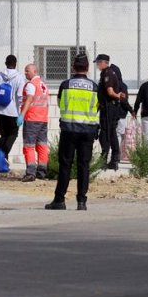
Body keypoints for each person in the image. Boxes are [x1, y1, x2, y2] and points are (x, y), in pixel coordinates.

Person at [45, 54, 99, 211]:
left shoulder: (65, 85)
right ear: (88, 68)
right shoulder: (95, 87)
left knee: (65, 165)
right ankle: (81, 202)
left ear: (73, 67)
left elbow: (60, 103)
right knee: (84, 166)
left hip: (69, 130)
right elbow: (97, 107)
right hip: (88, 130)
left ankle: (59, 200)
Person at [19, 64, 50, 182]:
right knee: (42, 145)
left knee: (29, 146)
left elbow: (30, 98)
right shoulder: (43, 85)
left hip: (32, 118)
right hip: (43, 119)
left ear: (34, 71)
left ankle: (30, 173)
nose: (25, 73)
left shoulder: (31, 85)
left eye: (27, 71)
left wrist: (22, 115)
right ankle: (42, 172)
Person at [95, 54, 126, 171]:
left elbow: (110, 91)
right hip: (109, 107)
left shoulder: (107, 73)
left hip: (108, 109)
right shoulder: (110, 72)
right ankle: (114, 159)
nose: (97, 65)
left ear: (104, 62)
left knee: (106, 134)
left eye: (98, 63)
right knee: (111, 133)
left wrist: (117, 95)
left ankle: (104, 160)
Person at [0, 55, 26, 159]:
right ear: (15, 64)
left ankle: (2, 160)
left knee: (4, 135)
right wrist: (21, 112)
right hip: (12, 112)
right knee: (13, 134)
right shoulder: (19, 77)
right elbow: (20, 96)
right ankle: (3, 152)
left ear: (5, 63)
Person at [110, 64, 133, 149]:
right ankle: (116, 154)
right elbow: (124, 100)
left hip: (110, 113)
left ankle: (109, 154)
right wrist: (131, 110)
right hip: (121, 113)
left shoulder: (107, 85)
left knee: (111, 133)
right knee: (119, 134)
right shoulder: (122, 86)